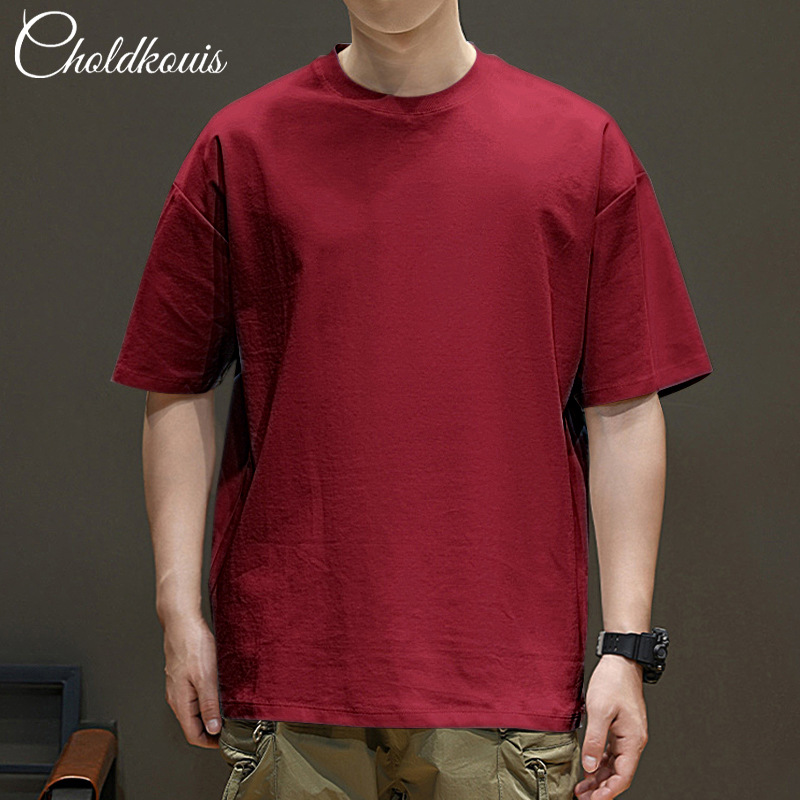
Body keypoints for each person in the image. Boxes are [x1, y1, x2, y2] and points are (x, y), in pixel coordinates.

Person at [109, 2, 713, 799]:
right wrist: (177, 610)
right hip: (297, 670)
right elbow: (175, 383)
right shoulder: (244, 145)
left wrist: (626, 647)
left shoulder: (577, 146)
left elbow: (625, 410)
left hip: (503, 678)